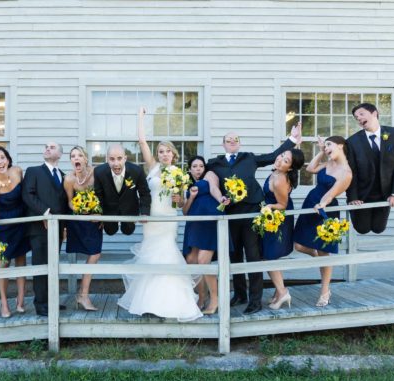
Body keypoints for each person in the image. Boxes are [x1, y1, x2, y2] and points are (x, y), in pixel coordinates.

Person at [117, 107, 202, 322]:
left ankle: (171, 303)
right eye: (161, 151)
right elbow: (142, 141)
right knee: (151, 254)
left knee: (166, 253)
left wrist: (180, 199)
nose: (164, 154)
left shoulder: (180, 174)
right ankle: (148, 302)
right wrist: (140, 116)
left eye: (168, 151)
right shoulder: (153, 168)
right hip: (151, 218)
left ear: (174, 154)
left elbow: (182, 204)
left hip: (168, 219)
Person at [207, 123, 302, 315]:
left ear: (239, 144)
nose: (232, 142)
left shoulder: (249, 158)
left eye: (236, 140)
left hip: (252, 213)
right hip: (230, 215)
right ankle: (240, 294)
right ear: (223, 144)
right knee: (233, 257)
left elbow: (272, 156)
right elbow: (204, 179)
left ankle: (255, 300)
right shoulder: (213, 163)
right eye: (228, 140)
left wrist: (291, 140)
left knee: (253, 257)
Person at [293, 136, 352, 307]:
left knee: (324, 252)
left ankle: (325, 291)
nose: (326, 148)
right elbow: (311, 169)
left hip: (326, 209)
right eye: (325, 146)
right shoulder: (329, 164)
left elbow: (331, 193)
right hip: (310, 203)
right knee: (298, 245)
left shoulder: (346, 172)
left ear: (340, 145)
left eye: (329, 145)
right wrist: (320, 151)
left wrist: (323, 204)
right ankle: (317, 256)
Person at [21, 142, 70, 317]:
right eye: (46, 147)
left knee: (53, 266)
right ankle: (41, 304)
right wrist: (45, 213)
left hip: (57, 230)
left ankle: (52, 301)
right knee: (41, 266)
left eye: (52, 147)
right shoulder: (33, 171)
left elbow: (64, 205)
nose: (47, 149)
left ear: (60, 154)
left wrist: (64, 227)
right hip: (39, 227)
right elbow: (28, 194)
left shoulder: (64, 176)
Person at [346, 102, 394, 234]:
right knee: (362, 229)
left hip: (385, 194)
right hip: (362, 195)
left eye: (361, 114)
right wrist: (353, 197)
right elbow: (352, 172)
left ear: (374, 113)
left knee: (379, 228)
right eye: (356, 118)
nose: (359, 119)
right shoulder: (352, 141)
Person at [0, 146, 31, 318]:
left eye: (2, 157)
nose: (0, 161)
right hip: (4, 228)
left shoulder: (18, 171)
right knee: (3, 265)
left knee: (21, 262)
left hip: (21, 224)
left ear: (8, 159)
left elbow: (27, 197)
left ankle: (20, 300)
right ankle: (4, 304)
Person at [181, 155, 228, 315]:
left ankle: (215, 299)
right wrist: (191, 197)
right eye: (195, 166)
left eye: (201, 165)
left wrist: (221, 198)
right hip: (194, 224)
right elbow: (185, 212)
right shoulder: (188, 184)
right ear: (190, 169)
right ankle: (202, 297)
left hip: (209, 222)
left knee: (203, 261)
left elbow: (214, 189)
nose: (198, 169)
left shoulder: (210, 175)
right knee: (191, 260)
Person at [262, 149, 305, 310]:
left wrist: (269, 206)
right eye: (281, 156)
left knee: (268, 256)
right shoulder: (275, 171)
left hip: (278, 218)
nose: (280, 160)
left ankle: (282, 292)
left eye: (286, 161)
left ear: (291, 168)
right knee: (268, 254)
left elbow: (283, 205)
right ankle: (277, 291)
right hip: (271, 216)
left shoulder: (280, 179)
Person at [63, 146, 103, 311]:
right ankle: (82, 295)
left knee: (95, 254)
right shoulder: (69, 179)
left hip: (94, 220)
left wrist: (101, 214)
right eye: (73, 156)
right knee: (87, 254)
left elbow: (105, 195)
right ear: (71, 160)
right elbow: (69, 201)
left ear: (86, 159)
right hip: (78, 221)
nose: (76, 158)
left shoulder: (96, 173)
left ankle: (82, 294)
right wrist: (80, 208)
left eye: (79, 155)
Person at [93, 144, 151, 236]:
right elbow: (98, 194)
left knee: (128, 231)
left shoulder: (137, 171)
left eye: (119, 158)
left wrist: (144, 212)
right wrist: (98, 213)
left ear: (125, 158)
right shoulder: (99, 172)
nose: (116, 163)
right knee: (110, 231)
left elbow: (144, 193)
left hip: (130, 209)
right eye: (112, 159)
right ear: (107, 159)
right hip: (109, 210)